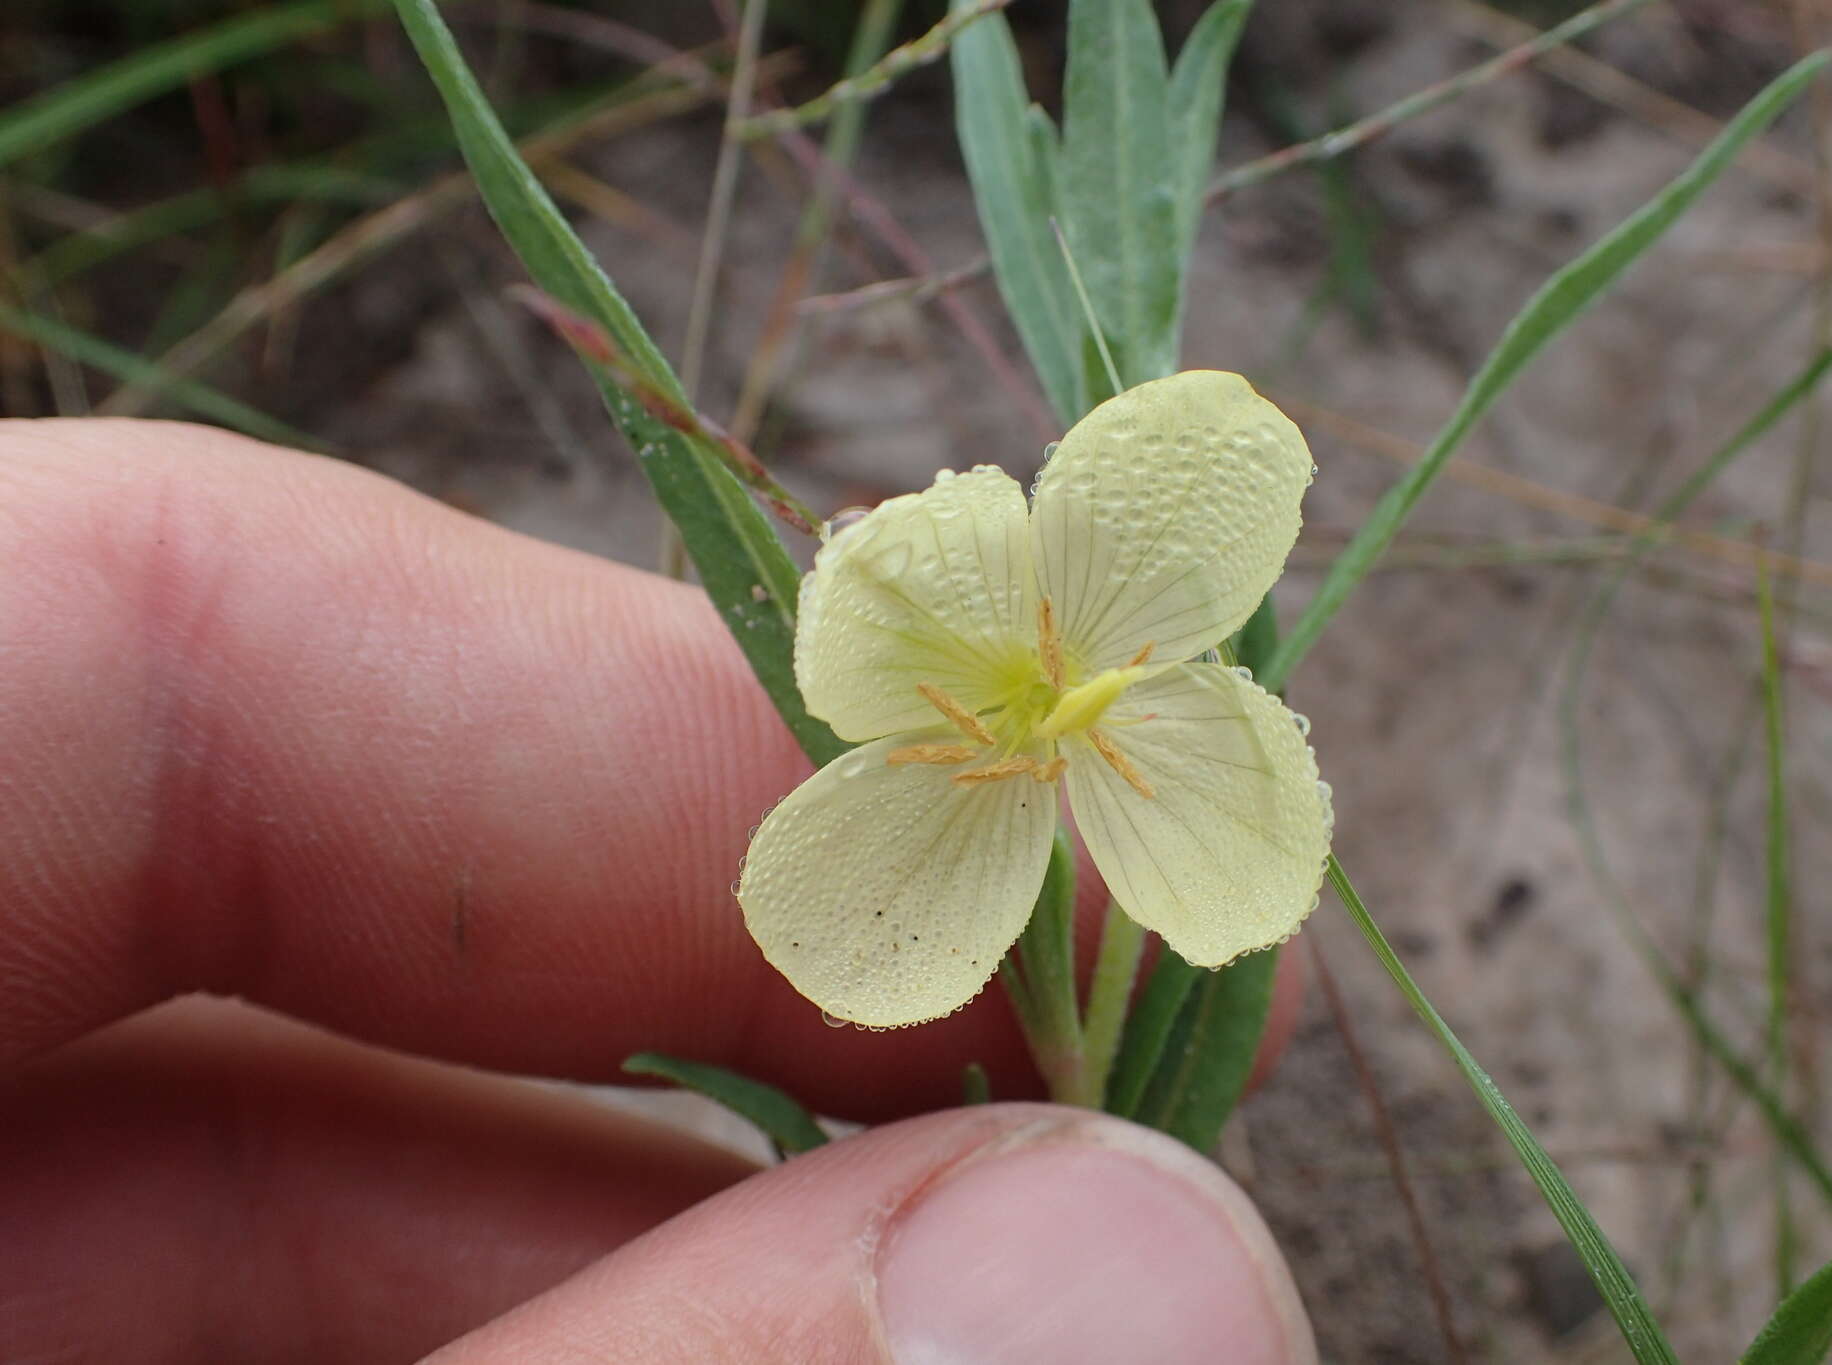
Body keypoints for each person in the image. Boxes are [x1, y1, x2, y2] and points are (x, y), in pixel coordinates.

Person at [0, 418, 1316, 1363]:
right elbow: (864, 614)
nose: (1055, 698)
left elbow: (1212, 460)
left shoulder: (1152, 579)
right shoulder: (931, 665)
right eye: (1039, 693)